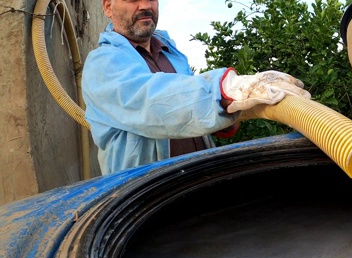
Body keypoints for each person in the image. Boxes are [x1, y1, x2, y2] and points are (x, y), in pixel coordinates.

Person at [83, 0, 311, 175]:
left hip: (195, 179)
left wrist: (233, 109)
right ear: (108, 7)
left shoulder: (169, 50)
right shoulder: (102, 64)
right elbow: (154, 102)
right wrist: (226, 90)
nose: (145, 6)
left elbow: (188, 108)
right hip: (141, 198)